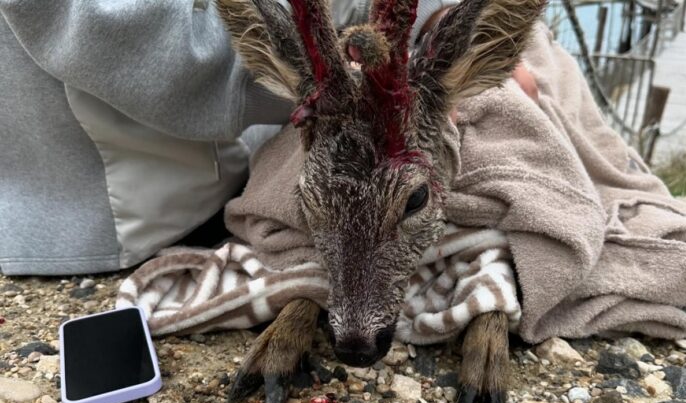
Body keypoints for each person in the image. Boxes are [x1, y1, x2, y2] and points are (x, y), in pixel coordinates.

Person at [0, 0, 536, 276]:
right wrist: (330, 84)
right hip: (109, 220)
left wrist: (429, 26)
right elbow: (92, 20)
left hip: (260, 148)